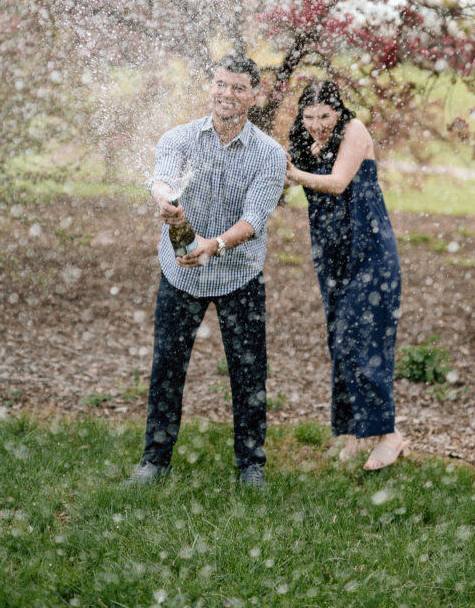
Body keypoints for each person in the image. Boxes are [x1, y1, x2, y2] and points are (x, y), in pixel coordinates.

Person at [125, 53, 287, 489]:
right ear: (209, 87)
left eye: (238, 87)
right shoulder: (179, 138)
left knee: (249, 372)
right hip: (181, 274)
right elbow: (160, 178)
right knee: (167, 367)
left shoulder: (270, 155)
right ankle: (154, 462)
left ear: (254, 95)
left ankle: (251, 466)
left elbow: (254, 220)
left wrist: (212, 245)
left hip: (240, 275)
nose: (226, 94)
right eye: (220, 84)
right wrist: (164, 202)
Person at [285, 80, 407, 470]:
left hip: (369, 250)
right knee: (340, 339)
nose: (317, 124)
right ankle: (356, 432)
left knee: (363, 338)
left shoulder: (354, 131)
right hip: (334, 255)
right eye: (309, 117)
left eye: (325, 115)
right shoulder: (308, 144)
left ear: (339, 112)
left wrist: (294, 174)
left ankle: (389, 435)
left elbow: (337, 184)